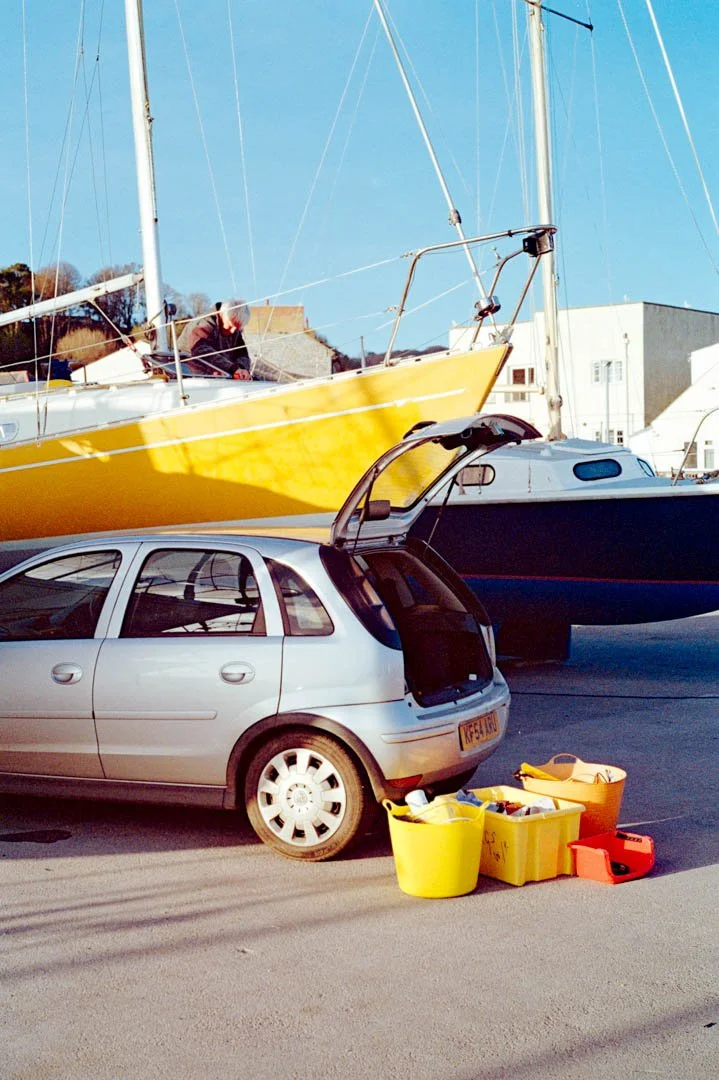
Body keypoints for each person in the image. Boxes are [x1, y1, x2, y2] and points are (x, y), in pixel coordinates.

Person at [178, 299, 252, 379]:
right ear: (222, 314)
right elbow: (202, 351)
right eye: (230, 326)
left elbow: (242, 353)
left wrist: (241, 369)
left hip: (220, 377)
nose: (233, 331)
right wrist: (233, 369)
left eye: (237, 328)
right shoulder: (204, 323)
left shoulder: (234, 330)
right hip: (190, 376)